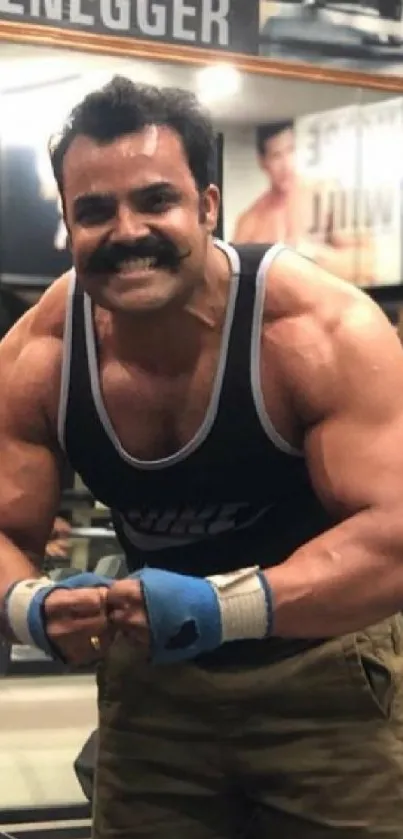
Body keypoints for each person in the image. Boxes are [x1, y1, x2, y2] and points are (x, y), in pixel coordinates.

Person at [0, 77, 403, 839]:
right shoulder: (42, 353)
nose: (126, 231)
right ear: (67, 223)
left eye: (155, 201)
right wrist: (31, 606)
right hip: (155, 690)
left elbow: (393, 539)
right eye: (94, 210)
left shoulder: (317, 327)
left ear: (208, 206)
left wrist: (225, 607)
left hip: (322, 681)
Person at [232, 121, 377, 286]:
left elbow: (367, 263)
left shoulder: (325, 195)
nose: (286, 164)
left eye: (291, 150)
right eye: (276, 155)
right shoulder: (248, 222)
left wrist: (315, 257)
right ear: (262, 162)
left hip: (326, 306)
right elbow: (237, 285)